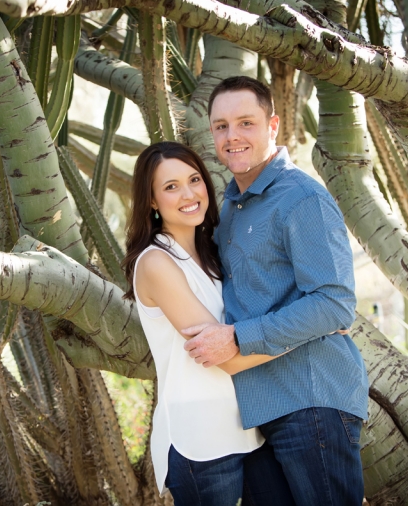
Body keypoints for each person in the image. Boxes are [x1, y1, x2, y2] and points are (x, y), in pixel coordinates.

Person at [181, 76, 369, 505]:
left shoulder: (300, 197)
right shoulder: (229, 207)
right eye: (221, 126)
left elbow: (334, 302)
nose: (232, 137)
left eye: (245, 123)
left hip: (311, 400)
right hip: (260, 410)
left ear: (273, 126)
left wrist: (236, 338)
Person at [123, 141, 282, 505]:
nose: (189, 194)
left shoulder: (213, 251)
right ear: (151, 201)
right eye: (170, 186)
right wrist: (307, 331)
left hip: (249, 429)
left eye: (194, 179)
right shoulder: (156, 263)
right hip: (199, 442)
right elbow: (225, 356)